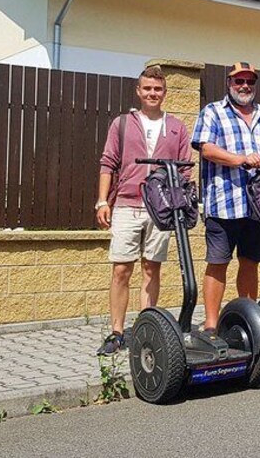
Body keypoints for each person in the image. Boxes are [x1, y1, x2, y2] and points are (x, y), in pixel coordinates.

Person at [191, 62, 260, 330]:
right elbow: (206, 149)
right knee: (218, 264)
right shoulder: (213, 111)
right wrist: (240, 160)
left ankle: (247, 320)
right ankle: (212, 324)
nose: (245, 86)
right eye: (239, 81)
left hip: (257, 206)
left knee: (250, 263)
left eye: (249, 81)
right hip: (224, 202)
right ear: (229, 83)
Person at [95, 65, 192, 355]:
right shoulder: (122, 124)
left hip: (161, 210)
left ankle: (145, 328)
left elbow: (185, 172)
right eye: (147, 88)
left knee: (152, 268)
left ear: (164, 93)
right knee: (122, 269)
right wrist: (102, 201)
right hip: (126, 204)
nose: (152, 93)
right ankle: (116, 332)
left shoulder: (176, 127)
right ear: (139, 91)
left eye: (158, 89)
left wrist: (182, 207)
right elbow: (108, 163)